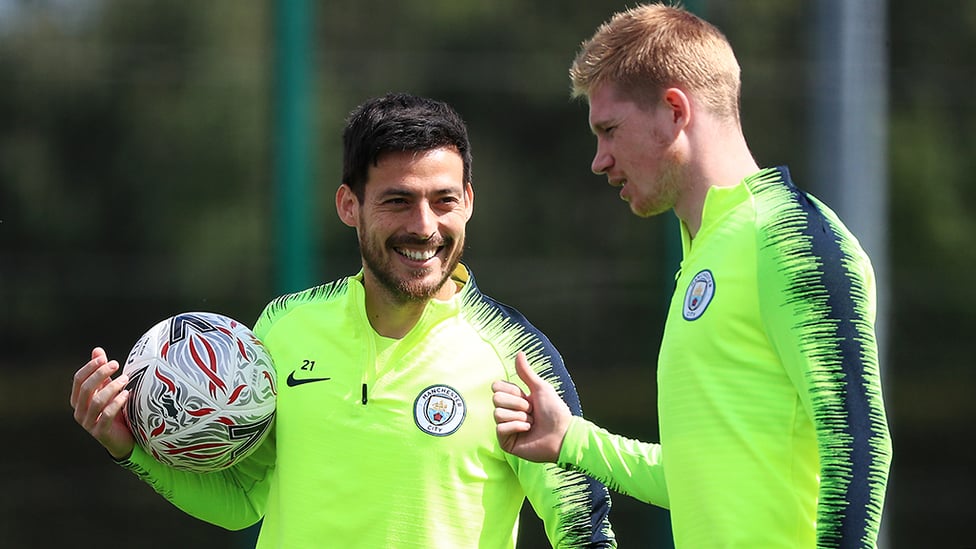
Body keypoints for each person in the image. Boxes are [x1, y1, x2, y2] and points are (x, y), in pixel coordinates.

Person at [71, 92, 616, 548]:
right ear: (348, 205)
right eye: (398, 201)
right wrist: (129, 448)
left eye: (443, 200)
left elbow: (585, 533)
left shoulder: (517, 356)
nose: (424, 226)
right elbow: (242, 499)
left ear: (469, 201)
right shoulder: (285, 326)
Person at [492, 4, 892, 548]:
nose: (599, 160)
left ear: (675, 111)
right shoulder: (705, 253)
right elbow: (697, 478)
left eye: (609, 130)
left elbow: (859, 443)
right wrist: (569, 439)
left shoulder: (788, 234)